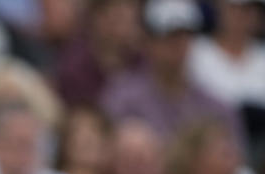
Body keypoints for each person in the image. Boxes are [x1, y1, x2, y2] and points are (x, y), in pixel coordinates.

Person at [101, 0, 244, 147]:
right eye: (169, 36)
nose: (178, 44)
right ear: (148, 41)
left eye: (185, 35)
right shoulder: (123, 97)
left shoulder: (215, 105)